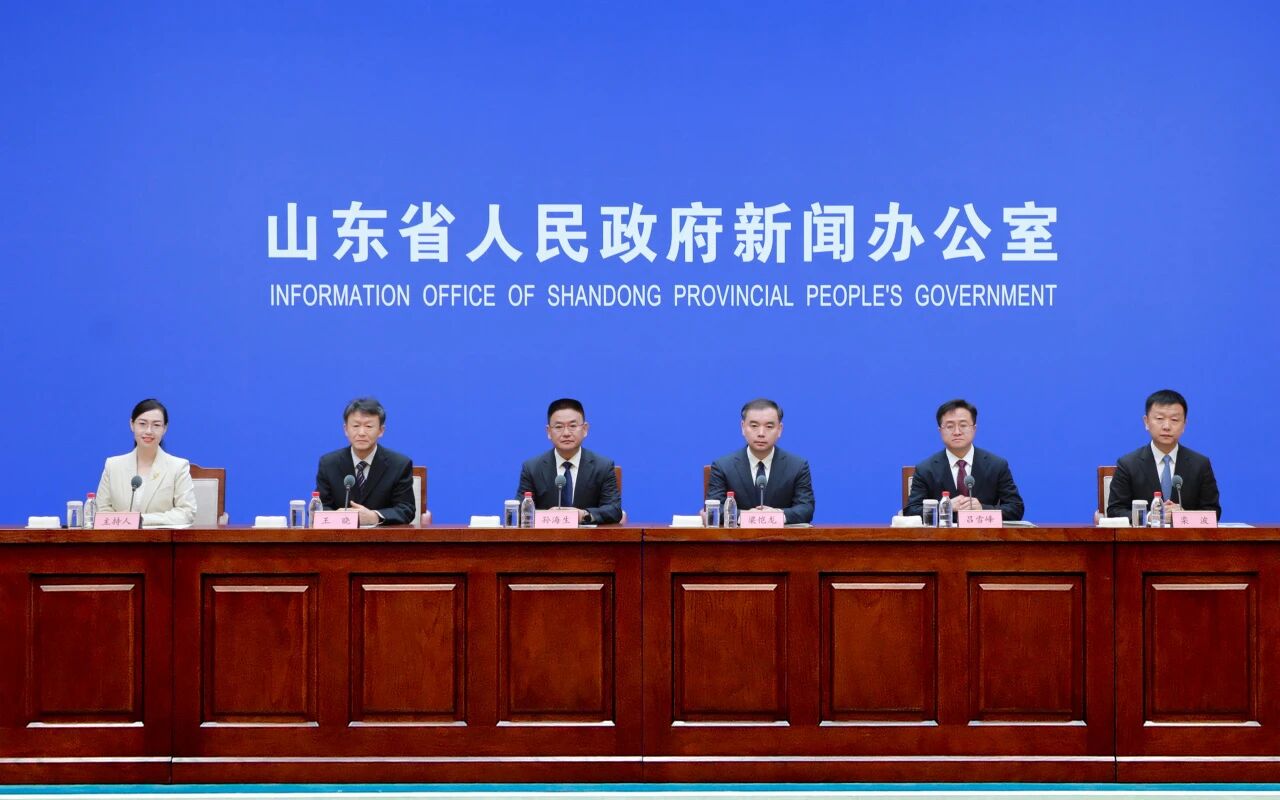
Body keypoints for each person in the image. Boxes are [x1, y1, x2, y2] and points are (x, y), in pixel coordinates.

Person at [1106, 389, 1221, 519]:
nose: (1167, 426)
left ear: (1184, 425)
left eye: (1174, 420)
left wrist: (1184, 516)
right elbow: (1115, 510)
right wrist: (1149, 516)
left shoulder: (1200, 464)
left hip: (1186, 532)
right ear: (1146, 422)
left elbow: (1213, 512)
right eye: (1160, 418)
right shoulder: (1128, 464)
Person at [904, 398, 1024, 520]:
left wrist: (982, 509)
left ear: (974, 429)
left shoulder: (997, 465)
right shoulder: (925, 469)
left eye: (963, 425)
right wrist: (945, 507)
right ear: (940, 431)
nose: (957, 432)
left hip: (983, 532)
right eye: (950, 426)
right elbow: (910, 511)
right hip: (943, 532)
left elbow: (1016, 508)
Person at [706, 398, 815, 524]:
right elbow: (714, 509)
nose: (761, 433)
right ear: (743, 427)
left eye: (769, 426)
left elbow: (806, 509)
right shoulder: (723, 466)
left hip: (780, 536)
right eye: (754, 426)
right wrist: (748, 516)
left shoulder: (797, 466)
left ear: (780, 429)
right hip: (738, 536)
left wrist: (777, 515)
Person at [517, 398, 622, 524]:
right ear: (548, 432)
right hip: (547, 536)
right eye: (559, 427)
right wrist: (547, 516)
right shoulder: (532, 468)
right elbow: (521, 511)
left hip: (587, 536)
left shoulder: (603, 466)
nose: (566, 433)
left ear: (585, 429)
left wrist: (583, 515)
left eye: (572, 426)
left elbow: (614, 510)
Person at [96, 398, 197, 527]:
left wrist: (141, 519)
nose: (149, 431)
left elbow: (186, 513)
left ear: (165, 428)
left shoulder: (178, 467)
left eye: (156, 425)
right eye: (142, 424)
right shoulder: (113, 466)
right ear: (132, 425)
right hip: (120, 538)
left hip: (160, 538)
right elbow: (102, 511)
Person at [315, 397, 415, 526]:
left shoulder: (399, 464)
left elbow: (406, 509)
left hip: (383, 537)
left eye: (368, 426)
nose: (361, 433)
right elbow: (319, 507)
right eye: (356, 426)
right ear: (346, 429)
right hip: (341, 537)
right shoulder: (329, 463)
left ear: (381, 431)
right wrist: (338, 517)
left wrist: (375, 516)